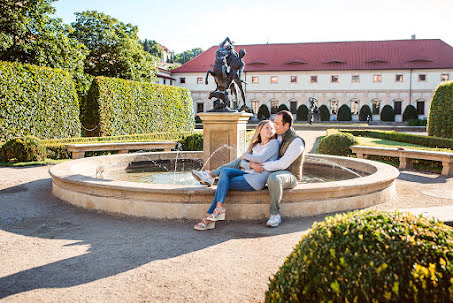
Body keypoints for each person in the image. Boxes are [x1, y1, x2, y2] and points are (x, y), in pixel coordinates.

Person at [193, 110, 305, 228]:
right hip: (256, 172)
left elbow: (283, 163)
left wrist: (258, 166)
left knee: (273, 178)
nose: (274, 127)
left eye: (276, 124)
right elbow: (246, 160)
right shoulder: (278, 136)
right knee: (225, 176)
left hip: (289, 174)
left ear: (286, 125)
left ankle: (274, 214)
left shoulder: (296, 141)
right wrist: (251, 165)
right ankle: (213, 182)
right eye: (273, 124)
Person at [192, 120, 279, 231]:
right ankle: (217, 209)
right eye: (267, 127)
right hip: (248, 174)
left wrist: (245, 156)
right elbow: (242, 163)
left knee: (222, 184)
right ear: (260, 130)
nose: (270, 130)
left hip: (256, 180)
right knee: (225, 173)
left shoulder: (274, 143)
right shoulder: (255, 145)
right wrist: (251, 165)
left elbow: (261, 159)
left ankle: (209, 216)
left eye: (272, 128)